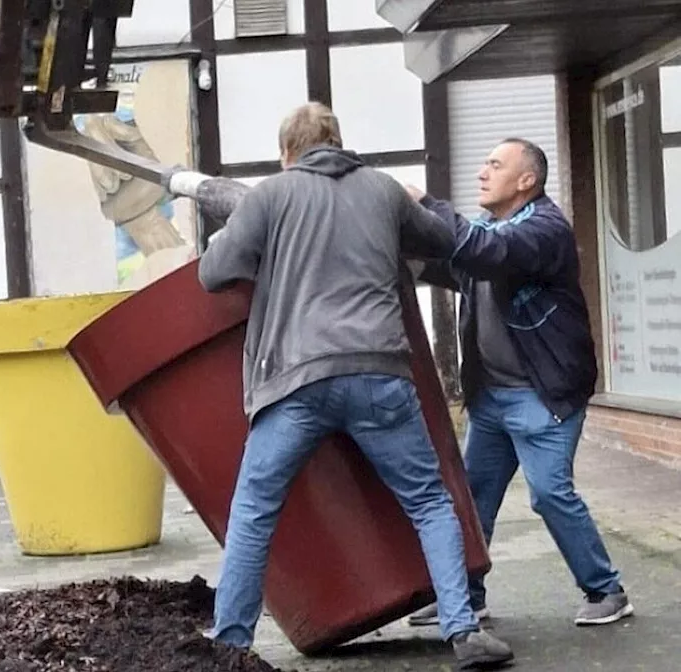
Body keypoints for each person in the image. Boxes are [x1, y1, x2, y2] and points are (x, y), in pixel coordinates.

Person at [196, 101, 514, 669]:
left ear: (286, 152)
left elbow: (213, 274)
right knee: (429, 501)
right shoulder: (384, 190)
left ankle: (231, 644)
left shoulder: (270, 195)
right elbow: (440, 240)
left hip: (295, 379)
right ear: (339, 142)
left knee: (254, 508)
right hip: (378, 373)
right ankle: (463, 632)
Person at [402, 138, 633, 628]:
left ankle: (606, 590)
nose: (482, 173)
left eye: (494, 165)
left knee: (549, 492)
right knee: (473, 496)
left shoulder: (544, 230)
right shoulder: (490, 228)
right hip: (493, 398)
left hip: (543, 395)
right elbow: (459, 265)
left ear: (526, 180)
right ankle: (466, 596)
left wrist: (425, 206)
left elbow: (489, 254)